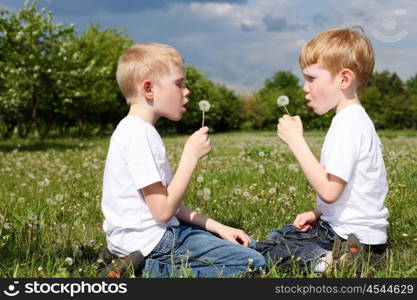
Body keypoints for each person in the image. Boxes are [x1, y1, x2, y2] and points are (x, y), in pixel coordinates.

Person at [100, 43, 265, 278]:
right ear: (149, 89)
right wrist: (190, 156)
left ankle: (126, 259)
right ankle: (143, 269)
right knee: (252, 262)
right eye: (179, 84)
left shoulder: (133, 130)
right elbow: (163, 212)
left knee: (248, 243)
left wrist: (219, 228)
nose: (186, 91)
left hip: (140, 240)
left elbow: (171, 205)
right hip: (153, 244)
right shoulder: (139, 134)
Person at [256, 27, 389, 273]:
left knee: (269, 249)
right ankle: (347, 257)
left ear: (343, 79)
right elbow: (352, 191)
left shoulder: (347, 124)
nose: (305, 87)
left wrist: (296, 141)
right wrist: (318, 212)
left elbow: (329, 190)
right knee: (283, 234)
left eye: (311, 78)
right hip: (366, 237)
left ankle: (334, 262)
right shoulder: (356, 120)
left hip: (348, 238)